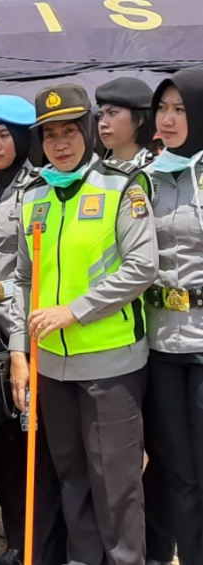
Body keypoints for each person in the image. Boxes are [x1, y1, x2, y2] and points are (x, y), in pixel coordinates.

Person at [8, 83, 158, 565]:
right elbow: (21, 279)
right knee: (72, 483)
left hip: (110, 367)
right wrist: (18, 352)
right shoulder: (34, 196)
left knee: (116, 489)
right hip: (52, 368)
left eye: (70, 131)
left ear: (89, 130)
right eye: (50, 135)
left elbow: (142, 267)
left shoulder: (121, 186)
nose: (61, 144)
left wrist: (75, 310)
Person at [0, 95, 67, 565]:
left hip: (28, 327)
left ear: (22, 139)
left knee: (36, 439)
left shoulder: (41, 186)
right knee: (1, 442)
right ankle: (16, 540)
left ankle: (41, 540)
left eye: (4, 136)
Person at [96, 75, 173, 565]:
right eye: (101, 114)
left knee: (159, 451)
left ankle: (157, 546)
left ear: (139, 121)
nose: (104, 123)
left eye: (114, 114)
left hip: (160, 329)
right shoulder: (95, 175)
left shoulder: (159, 172)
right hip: (115, 334)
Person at [144, 68, 203, 565]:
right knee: (179, 472)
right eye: (162, 108)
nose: (168, 119)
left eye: (180, 109)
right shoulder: (148, 178)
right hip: (162, 344)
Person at [96, 77, 156, 166]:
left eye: (112, 113)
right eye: (100, 115)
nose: (102, 123)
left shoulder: (156, 170)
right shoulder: (94, 171)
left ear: (140, 119)